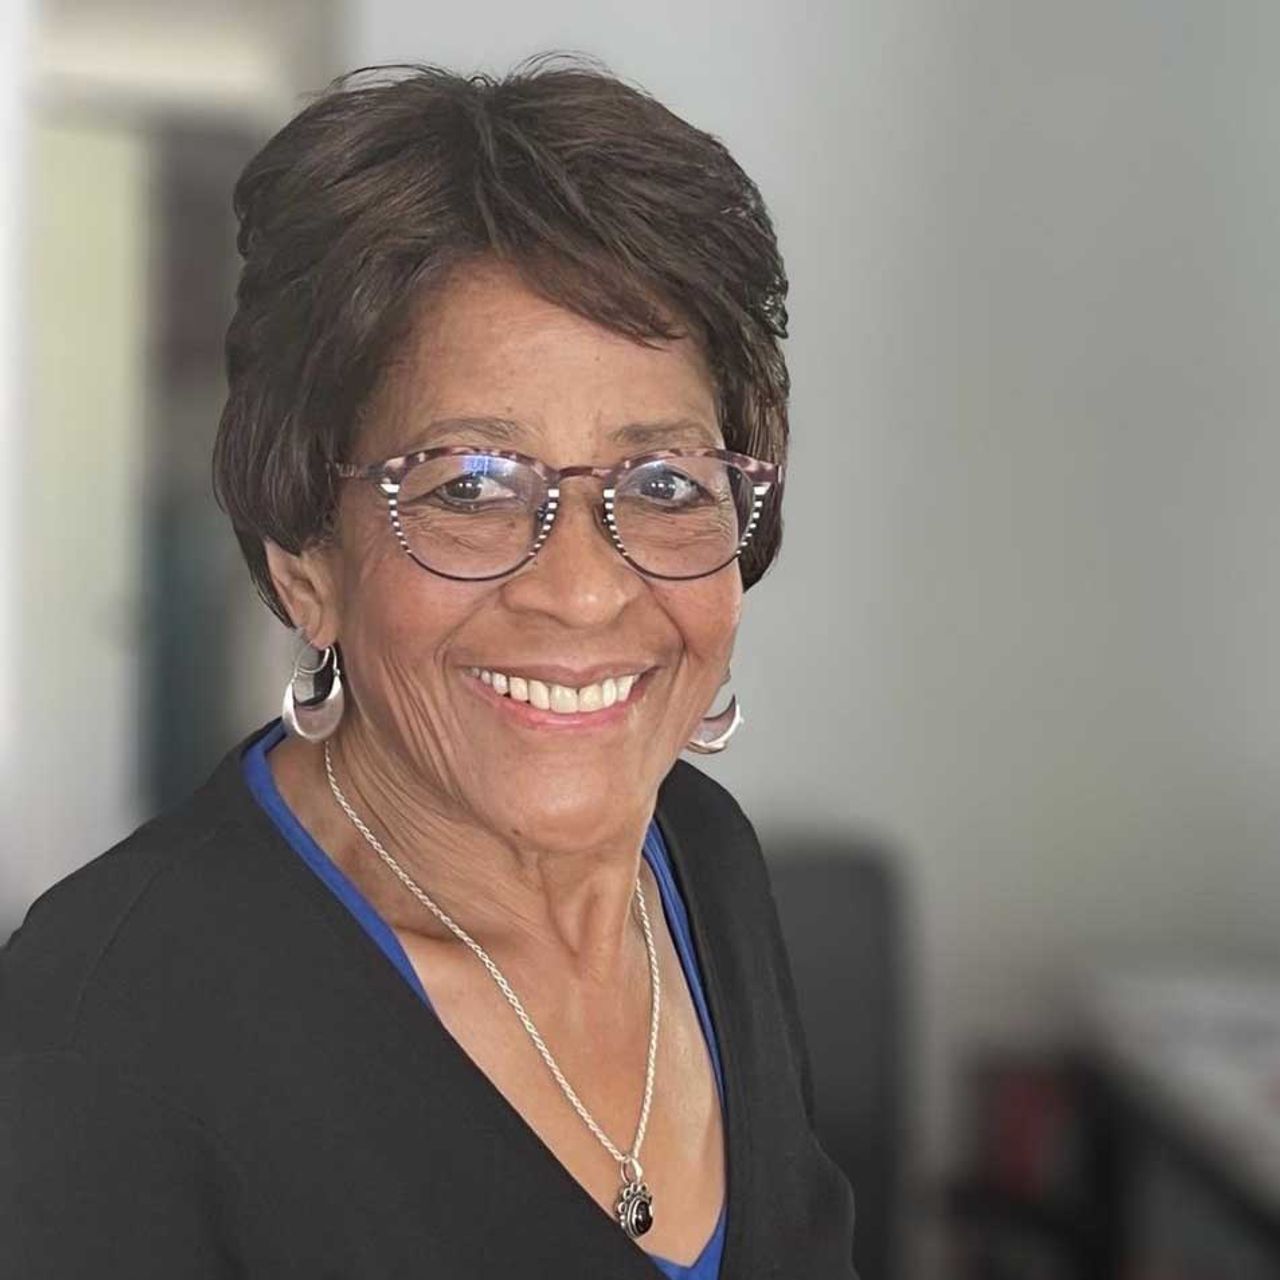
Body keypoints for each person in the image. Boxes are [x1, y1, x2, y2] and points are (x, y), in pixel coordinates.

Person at [0, 59, 857, 1278]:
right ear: (305, 559)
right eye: (469, 486)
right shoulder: (104, 1032)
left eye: (664, 481)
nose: (582, 589)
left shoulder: (701, 858)